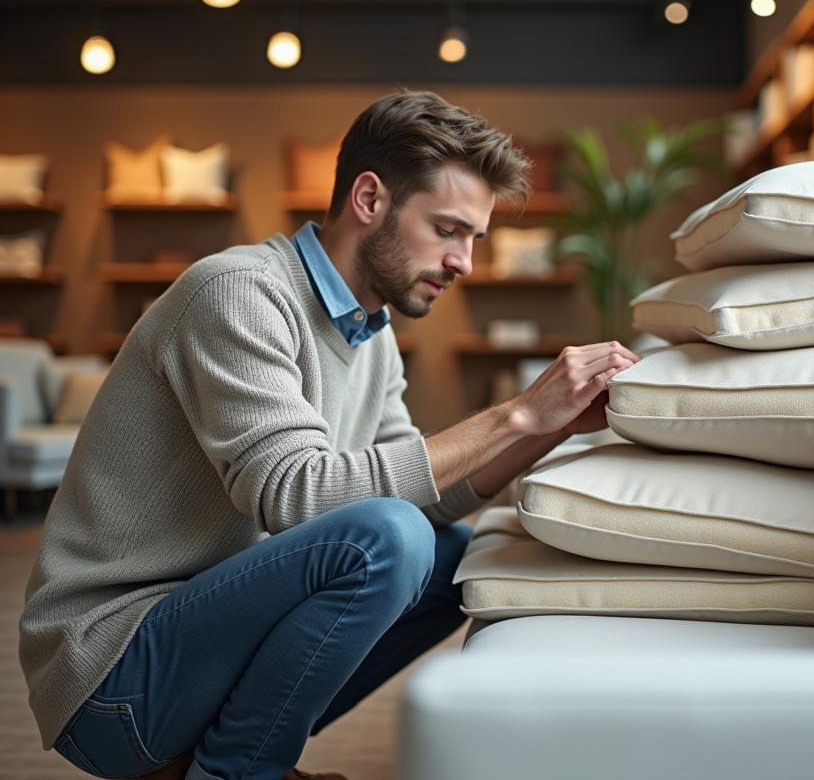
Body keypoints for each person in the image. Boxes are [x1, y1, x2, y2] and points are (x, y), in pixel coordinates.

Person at [19, 90, 638, 780]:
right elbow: (294, 495)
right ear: (369, 200)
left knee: (446, 557)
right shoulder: (238, 293)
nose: (464, 261)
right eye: (447, 230)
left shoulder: (370, 336)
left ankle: (226, 760)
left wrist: (546, 429)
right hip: (111, 673)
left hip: (194, 647)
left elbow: (427, 500)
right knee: (389, 541)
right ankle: (238, 773)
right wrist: (514, 412)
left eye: (474, 239)